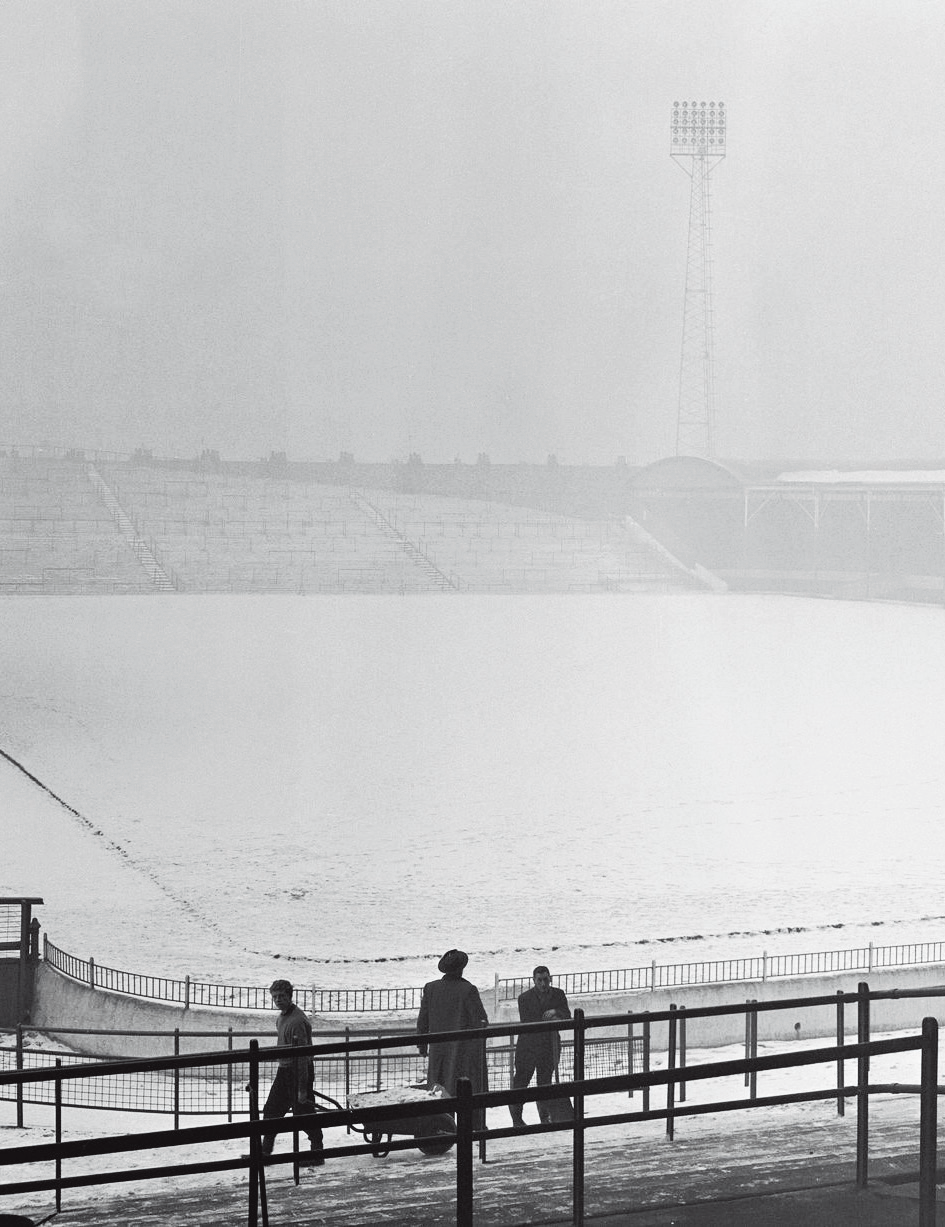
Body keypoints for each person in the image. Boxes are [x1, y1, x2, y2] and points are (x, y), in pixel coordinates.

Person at [417, 949, 489, 1127]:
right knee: (468, 1094)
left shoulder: (430, 988)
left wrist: (422, 1045)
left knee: (440, 1093)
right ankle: (474, 1129)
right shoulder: (468, 990)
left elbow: (423, 1020)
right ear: (461, 968)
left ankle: (441, 1128)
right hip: (464, 1055)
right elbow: (480, 1022)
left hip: (438, 1054)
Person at [260, 979, 324, 1164]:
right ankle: (265, 1153)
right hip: (285, 1070)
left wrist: (302, 1088)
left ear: (290, 996)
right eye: (275, 997)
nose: (278, 1000)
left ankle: (317, 1153)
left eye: (282, 996)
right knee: (271, 1111)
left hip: (298, 1072)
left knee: (304, 1114)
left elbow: (303, 1056)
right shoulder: (282, 1017)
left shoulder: (296, 1021)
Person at [510, 965, 571, 1127]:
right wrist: (553, 1017)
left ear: (550, 978)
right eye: (540, 980)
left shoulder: (558, 994)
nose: (543, 983)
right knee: (521, 1083)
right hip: (528, 1047)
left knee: (545, 1083)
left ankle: (545, 1117)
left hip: (549, 1046)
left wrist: (555, 1012)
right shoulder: (524, 998)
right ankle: (517, 1119)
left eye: (546, 979)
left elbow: (567, 1015)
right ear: (534, 981)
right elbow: (528, 1021)